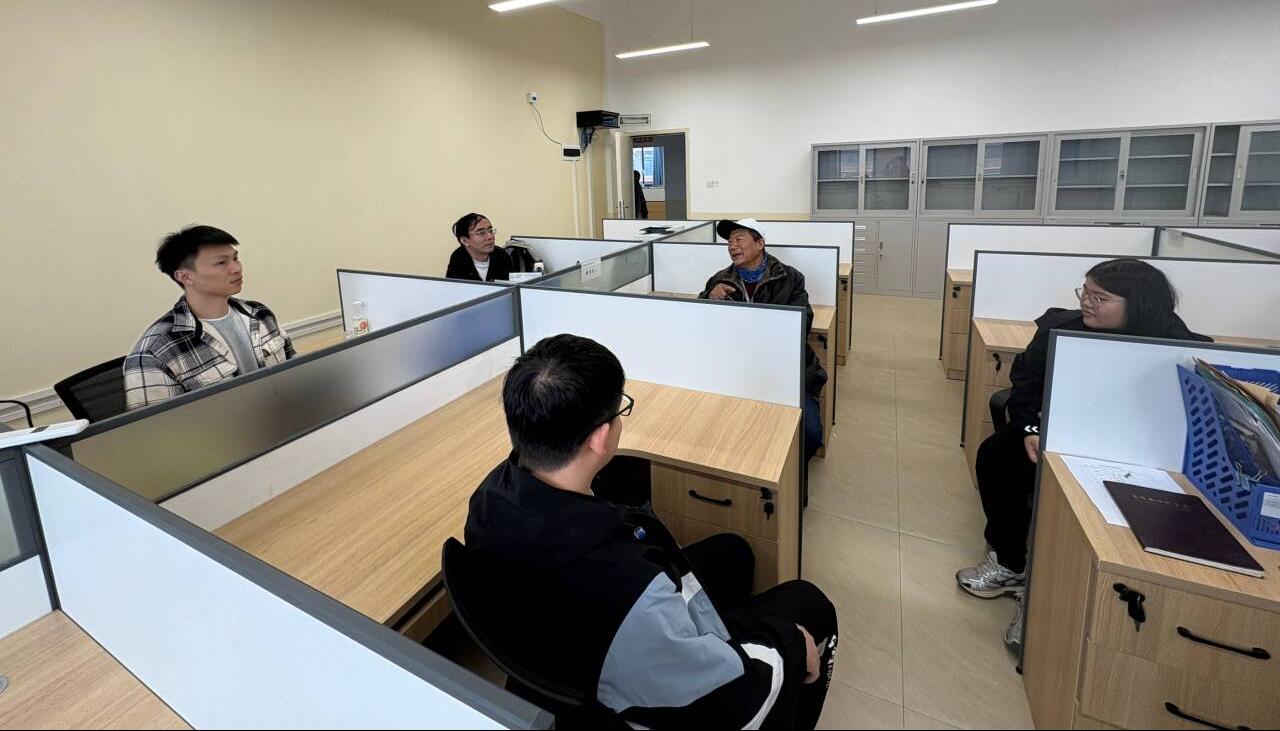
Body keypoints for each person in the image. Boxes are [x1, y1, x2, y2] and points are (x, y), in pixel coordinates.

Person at [464, 334, 838, 729]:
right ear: (600, 437)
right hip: (630, 665)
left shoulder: (489, 498)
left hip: (560, 638)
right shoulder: (628, 593)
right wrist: (791, 644)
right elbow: (731, 699)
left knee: (734, 553)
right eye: (619, 411)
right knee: (811, 605)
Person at [955, 258, 1211, 653]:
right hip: (1060, 431)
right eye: (1085, 293)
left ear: (1138, 303)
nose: (1087, 303)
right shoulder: (1060, 329)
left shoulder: (1178, 347)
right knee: (997, 455)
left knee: (1110, 516)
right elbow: (1025, 383)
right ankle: (1011, 563)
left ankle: (1055, 595)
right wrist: (1031, 429)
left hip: (1139, 448)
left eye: (1100, 297)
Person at [123, 225, 294, 411]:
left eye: (235, 258)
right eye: (221, 263)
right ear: (185, 277)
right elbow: (157, 426)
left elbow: (295, 373)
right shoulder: (154, 353)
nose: (236, 268)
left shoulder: (259, 314)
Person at [699, 219, 827, 462]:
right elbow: (702, 325)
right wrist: (707, 297)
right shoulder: (718, 280)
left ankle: (790, 474)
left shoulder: (790, 277)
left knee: (811, 435)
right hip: (735, 368)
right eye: (729, 241)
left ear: (760, 244)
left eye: (739, 238)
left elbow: (802, 324)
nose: (732, 246)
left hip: (785, 369)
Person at [446, 212, 512, 282]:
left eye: (491, 231)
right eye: (481, 233)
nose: (490, 237)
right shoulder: (458, 260)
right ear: (464, 241)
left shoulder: (501, 256)